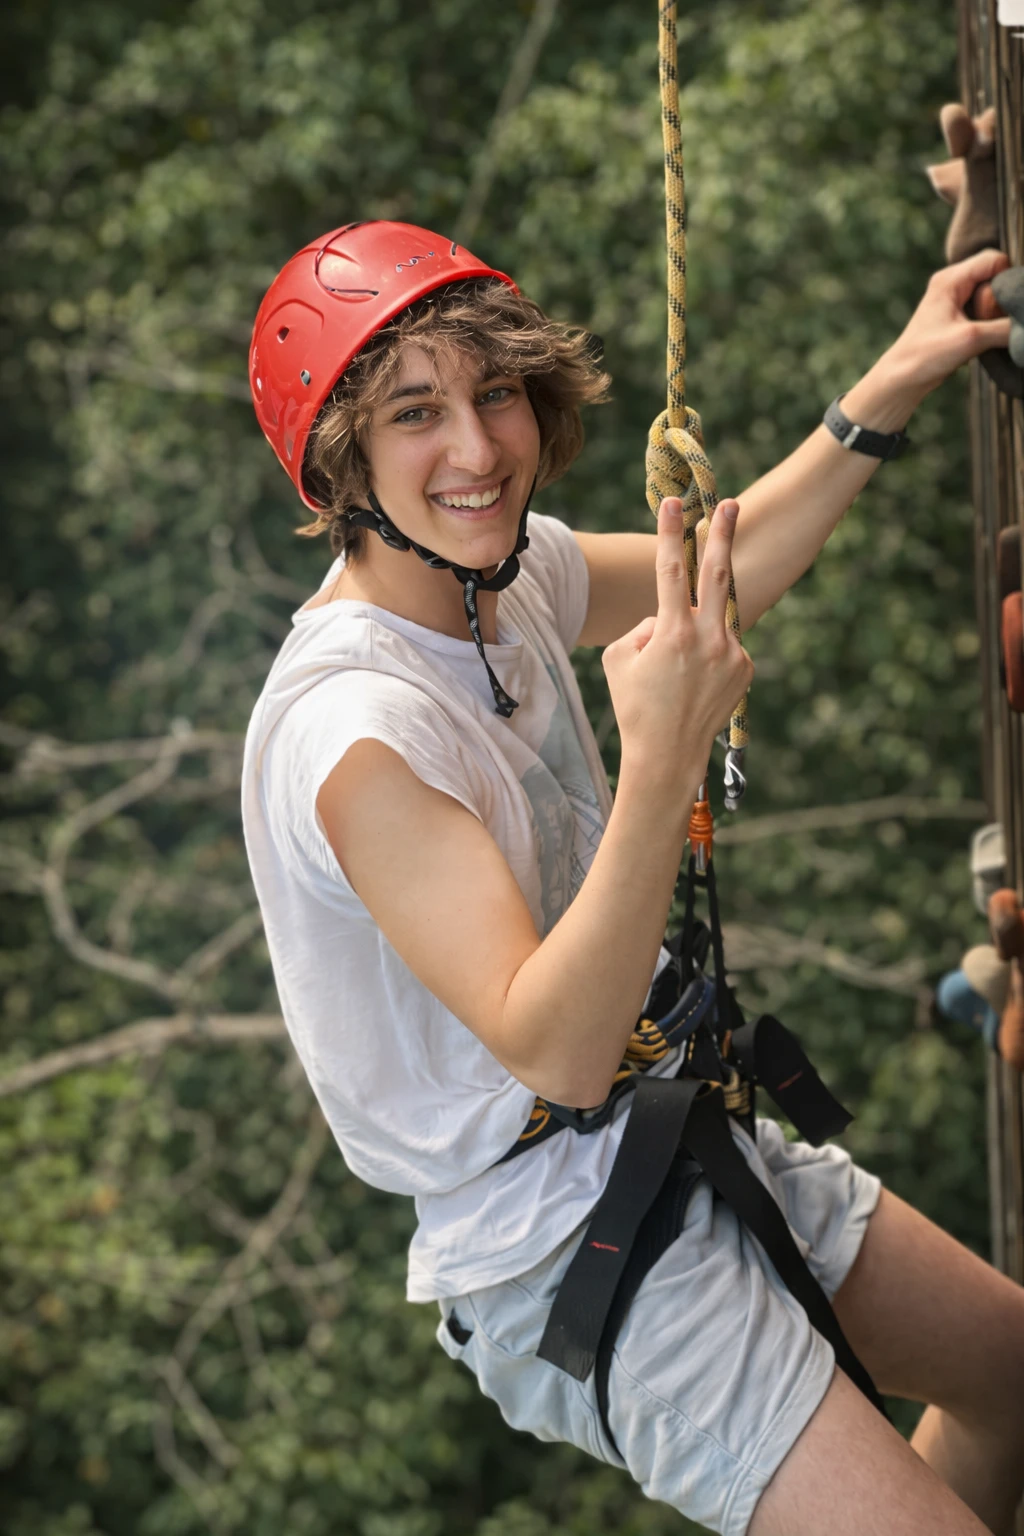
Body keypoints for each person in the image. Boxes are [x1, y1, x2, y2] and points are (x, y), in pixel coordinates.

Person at [242, 220, 1024, 1536]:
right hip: (558, 1239)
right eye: (417, 413)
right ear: (341, 462)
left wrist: (901, 372)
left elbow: (727, 571)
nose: (478, 449)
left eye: (496, 394)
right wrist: (662, 756)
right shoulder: (357, 734)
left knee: (1012, 1379)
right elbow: (553, 1047)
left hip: (662, 1121)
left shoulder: (500, 576)